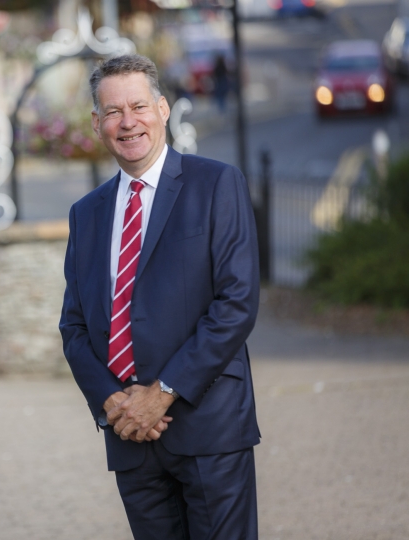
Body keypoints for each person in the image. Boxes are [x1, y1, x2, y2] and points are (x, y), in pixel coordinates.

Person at [59, 54, 260, 539]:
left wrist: (162, 393)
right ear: (97, 122)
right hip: (130, 436)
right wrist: (114, 403)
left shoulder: (216, 184)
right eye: (113, 112)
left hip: (208, 427)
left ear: (164, 109)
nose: (128, 122)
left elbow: (236, 303)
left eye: (139, 107)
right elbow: (75, 326)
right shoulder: (86, 213)